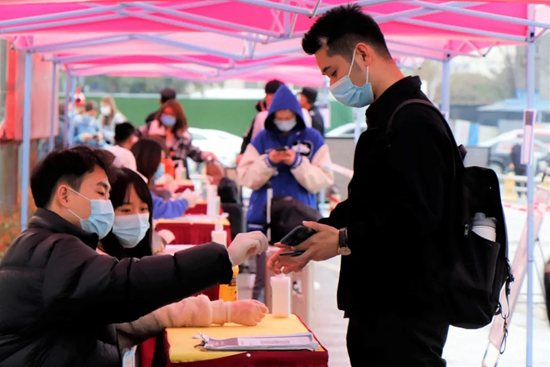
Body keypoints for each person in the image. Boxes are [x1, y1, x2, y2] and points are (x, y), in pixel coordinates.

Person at [267, 5, 456, 367]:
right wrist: (310, 238)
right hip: (379, 306)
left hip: (404, 310)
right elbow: (368, 205)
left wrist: (342, 239)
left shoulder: (412, 122)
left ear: (363, 54)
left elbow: (418, 219)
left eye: (332, 72)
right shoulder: (387, 121)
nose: (331, 84)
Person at [0, 146, 268, 366]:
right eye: (101, 192)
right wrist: (223, 258)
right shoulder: (57, 251)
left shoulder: (44, 244)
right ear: (65, 196)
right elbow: (128, 283)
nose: (107, 203)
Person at [98, 167, 268, 354]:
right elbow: (145, 311)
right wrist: (225, 312)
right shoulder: (97, 264)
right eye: (126, 209)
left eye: (143, 209)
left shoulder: (132, 255)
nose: (137, 217)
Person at [238, 84, 334, 302]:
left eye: (288, 116)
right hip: (265, 222)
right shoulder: (262, 138)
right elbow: (245, 177)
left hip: (300, 222)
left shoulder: (313, 139)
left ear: (297, 115)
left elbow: (324, 179)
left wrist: (297, 163)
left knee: (297, 285)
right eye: (279, 117)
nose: (283, 121)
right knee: (264, 280)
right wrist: (268, 162)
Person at [139, 99, 216, 176]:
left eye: (170, 115)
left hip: (177, 177)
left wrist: (206, 155)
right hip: (155, 175)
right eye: (165, 114)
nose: (167, 117)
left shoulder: (183, 138)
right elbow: (134, 136)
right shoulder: (151, 129)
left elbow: (194, 153)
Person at [131, 138, 199, 219]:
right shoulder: (137, 185)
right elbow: (159, 210)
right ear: (150, 162)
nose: (162, 166)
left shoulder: (142, 183)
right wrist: (184, 202)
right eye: (160, 162)